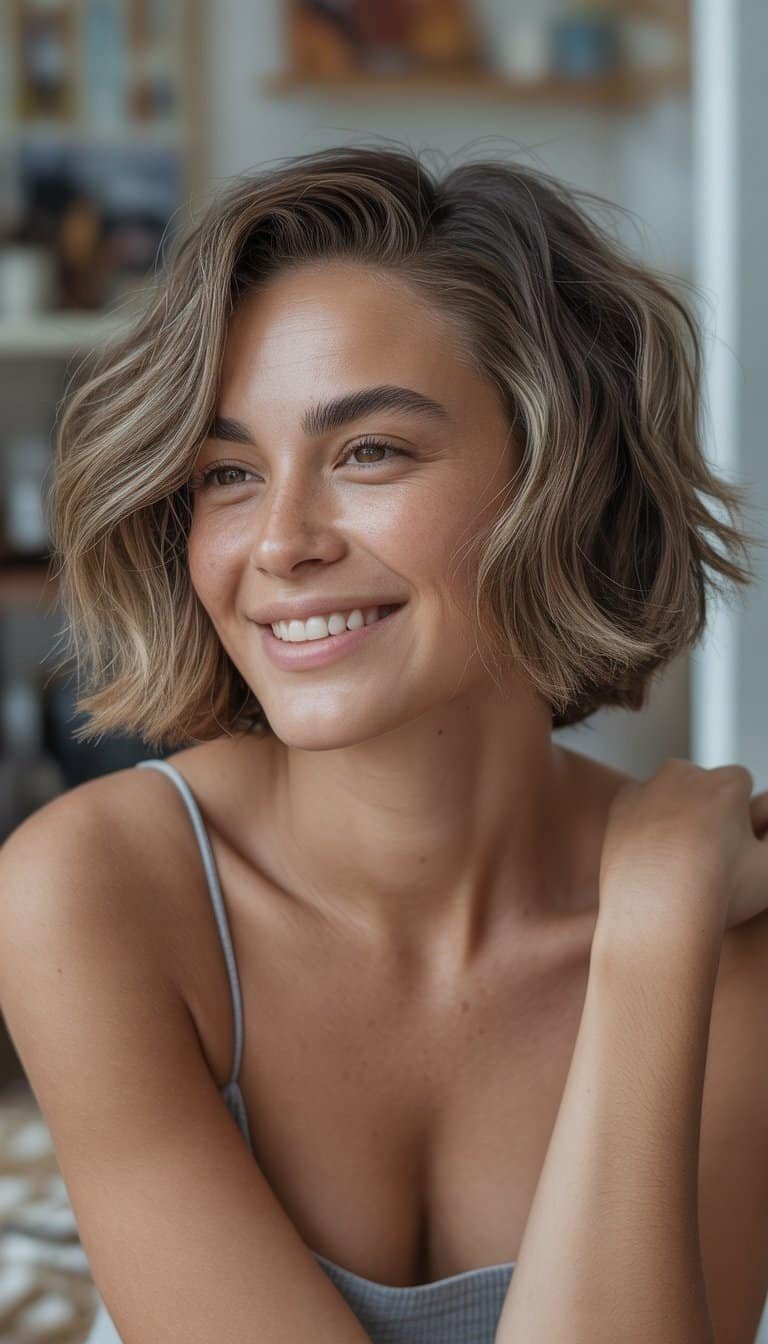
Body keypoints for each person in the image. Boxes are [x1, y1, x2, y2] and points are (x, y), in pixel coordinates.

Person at [1, 142, 767, 1344]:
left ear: (564, 481)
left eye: (370, 452)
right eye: (228, 473)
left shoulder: (723, 920)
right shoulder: (94, 891)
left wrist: (654, 937)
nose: (281, 542)